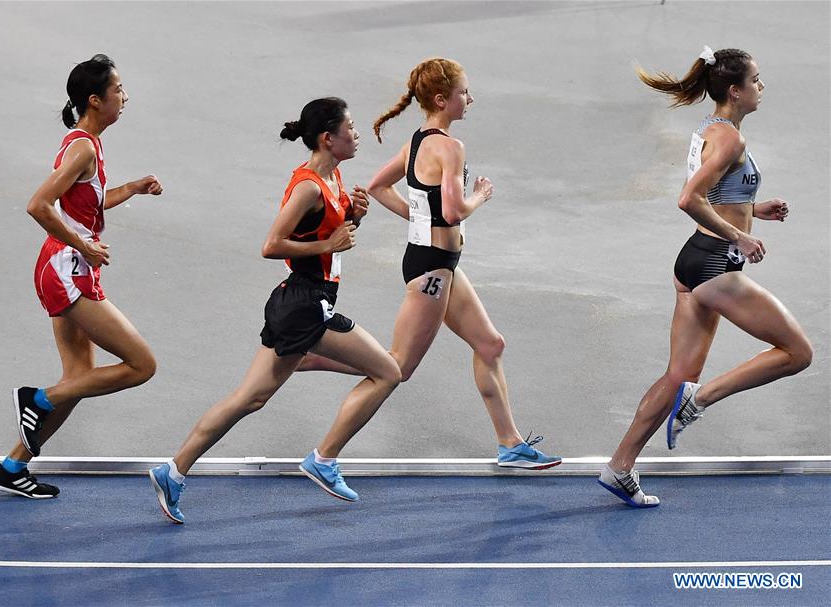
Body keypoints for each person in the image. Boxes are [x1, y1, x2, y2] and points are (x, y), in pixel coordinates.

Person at [149, 98, 401, 523]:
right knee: (388, 371)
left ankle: (173, 471)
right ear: (328, 138)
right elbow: (272, 245)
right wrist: (328, 243)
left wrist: (354, 218)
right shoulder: (308, 187)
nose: (356, 134)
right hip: (305, 305)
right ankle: (324, 459)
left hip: (297, 304)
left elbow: (333, 238)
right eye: (351, 128)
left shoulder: (334, 177)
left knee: (251, 398)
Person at [599, 46, 812, 508]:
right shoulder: (731, 139)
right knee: (797, 353)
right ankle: (702, 399)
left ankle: (619, 466)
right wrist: (742, 235)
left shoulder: (713, 129)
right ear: (735, 91)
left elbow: (714, 194)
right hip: (717, 263)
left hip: (693, 261)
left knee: (677, 372)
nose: (761, 87)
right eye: (756, 80)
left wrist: (755, 210)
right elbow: (689, 199)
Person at [364, 57, 561, 469]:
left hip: (439, 263)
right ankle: (312, 356)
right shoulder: (450, 147)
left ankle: (510, 444)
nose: (470, 99)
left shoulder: (417, 141)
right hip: (432, 269)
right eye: (464, 93)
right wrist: (482, 195)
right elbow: (454, 212)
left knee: (491, 344)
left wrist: (420, 219)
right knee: (397, 368)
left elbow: (378, 187)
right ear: (442, 99)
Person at [0, 54, 163, 499]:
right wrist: (84, 246)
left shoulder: (87, 144)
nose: (124, 96)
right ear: (94, 99)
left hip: (64, 266)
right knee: (142, 365)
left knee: (79, 379)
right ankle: (37, 399)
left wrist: (133, 188)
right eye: (118, 89)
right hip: (67, 270)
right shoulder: (84, 146)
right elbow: (38, 205)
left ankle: (12, 466)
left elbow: (86, 207)